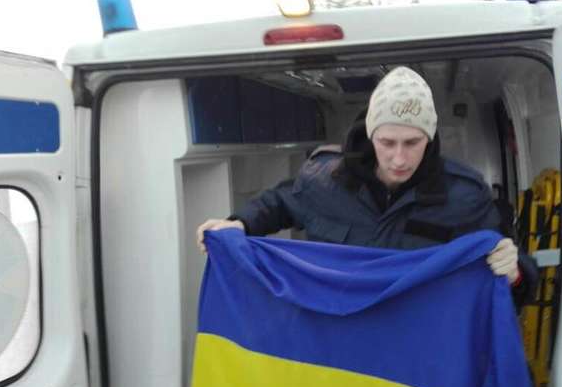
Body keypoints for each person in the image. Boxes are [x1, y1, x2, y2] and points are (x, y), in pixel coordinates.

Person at [196, 66, 536, 302]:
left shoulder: (465, 195)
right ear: (371, 135)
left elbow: (514, 274)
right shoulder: (324, 179)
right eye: (387, 142)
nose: (399, 158)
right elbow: (279, 202)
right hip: (342, 342)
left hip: (417, 349)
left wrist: (515, 271)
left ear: (430, 138)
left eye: (412, 142)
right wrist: (238, 224)